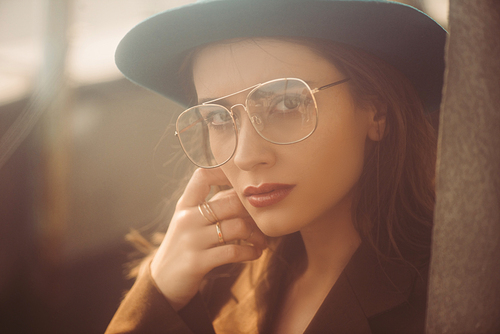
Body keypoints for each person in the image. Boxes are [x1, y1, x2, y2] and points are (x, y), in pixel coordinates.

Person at [106, 0, 446, 333]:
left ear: (377, 112)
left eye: (286, 103)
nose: (245, 156)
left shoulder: (453, 298)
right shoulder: (210, 278)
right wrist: (158, 294)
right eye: (217, 118)